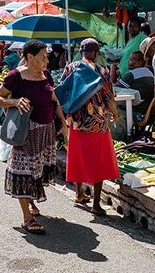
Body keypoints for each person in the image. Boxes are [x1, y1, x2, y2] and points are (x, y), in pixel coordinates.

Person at [0, 40, 66, 235]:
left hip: (46, 132)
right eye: (42, 56)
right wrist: (15, 101)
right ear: (29, 57)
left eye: (46, 55)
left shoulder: (46, 76)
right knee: (21, 172)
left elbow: (54, 100)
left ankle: (30, 201)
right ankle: (27, 218)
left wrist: (63, 125)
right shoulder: (16, 77)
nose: (46, 59)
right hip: (25, 134)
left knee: (37, 171)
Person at [62, 38, 120, 216]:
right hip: (97, 123)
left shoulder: (70, 67)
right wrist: (115, 113)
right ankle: (96, 204)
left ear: (81, 51)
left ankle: (79, 194)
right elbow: (109, 97)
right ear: (96, 53)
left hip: (77, 122)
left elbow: (63, 90)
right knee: (98, 161)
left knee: (78, 157)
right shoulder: (101, 70)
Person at [117, 51, 154, 121]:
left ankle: (122, 131)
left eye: (131, 60)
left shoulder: (132, 74)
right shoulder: (150, 73)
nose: (128, 61)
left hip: (136, 112)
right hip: (148, 112)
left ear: (139, 63)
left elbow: (115, 88)